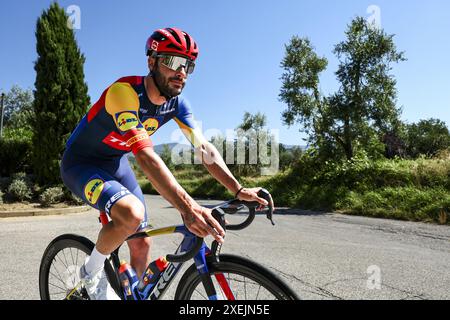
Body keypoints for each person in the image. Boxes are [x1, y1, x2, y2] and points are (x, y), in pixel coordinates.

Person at [60, 27, 273, 300]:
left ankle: (132, 295)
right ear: (152, 62)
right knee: (132, 214)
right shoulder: (123, 92)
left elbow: (204, 149)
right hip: (81, 164)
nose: (181, 71)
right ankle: (89, 275)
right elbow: (146, 156)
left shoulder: (177, 105)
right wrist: (188, 207)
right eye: (173, 62)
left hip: (114, 163)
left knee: (141, 242)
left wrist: (238, 189)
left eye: (188, 65)